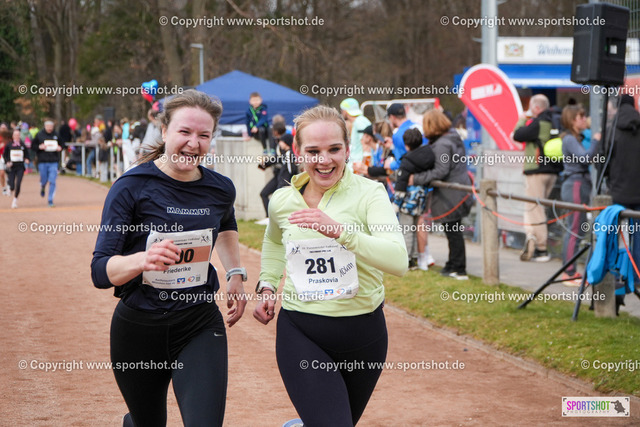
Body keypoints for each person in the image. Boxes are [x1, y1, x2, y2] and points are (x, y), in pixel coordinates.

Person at [90, 90, 247, 427]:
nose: (193, 143)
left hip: (198, 322)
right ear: (164, 131)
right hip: (139, 329)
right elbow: (101, 271)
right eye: (184, 132)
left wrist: (235, 273)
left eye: (203, 135)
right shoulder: (131, 187)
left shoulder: (220, 188)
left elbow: (226, 223)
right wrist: (142, 260)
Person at [254, 105, 407, 426]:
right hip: (301, 332)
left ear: (348, 150)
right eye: (313, 151)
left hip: (364, 336)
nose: (324, 160)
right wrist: (267, 284)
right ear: (298, 152)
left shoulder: (371, 194)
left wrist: (341, 232)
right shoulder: (282, 200)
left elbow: (398, 260)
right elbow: (274, 241)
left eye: (334, 149)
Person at [412, 110, 474, 280]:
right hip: (459, 190)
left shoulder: (442, 144)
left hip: (452, 194)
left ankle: (459, 268)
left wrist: (416, 178)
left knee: (453, 232)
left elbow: (441, 170)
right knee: (453, 231)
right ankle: (453, 264)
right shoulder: (452, 138)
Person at [513, 94, 563, 262]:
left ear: (536, 108)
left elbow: (518, 135)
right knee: (538, 208)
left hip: (536, 170)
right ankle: (532, 238)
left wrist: (522, 119)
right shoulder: (555, 120)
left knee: (535, 209)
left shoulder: (538, 122)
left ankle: (541, 248)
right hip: (553, 171)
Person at [559, 105, 600, 285]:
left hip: (580, 184)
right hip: (575, 185)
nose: (584, 119)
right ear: (572, 120)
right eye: (580, 117)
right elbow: (585, 158)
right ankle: (569, 272)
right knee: (575, 229)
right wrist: (596, 141)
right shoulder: (569, 139)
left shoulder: (576, 138)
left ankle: (570, 271)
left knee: (578, 228)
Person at [394, 128, 436, 271]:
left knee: (407, 230)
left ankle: (407, 260)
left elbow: (401, 184)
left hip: (408, 202)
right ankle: (417, 257)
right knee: (417, 229)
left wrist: (396, 203)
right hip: (421, 200)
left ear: (406, 145)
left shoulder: (407, 161)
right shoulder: (429, 155)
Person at [258, 121, 286, 221]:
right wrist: (265, 164)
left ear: (276, 131)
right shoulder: (278, 142)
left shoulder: (285, 142)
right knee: (264, 193)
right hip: (277, 175)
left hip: (284, 176)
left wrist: (267, 163)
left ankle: (274, 218)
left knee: (278, 199)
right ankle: (269, 217)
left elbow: (280, 159)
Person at [32, 118, 64, 207]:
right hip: (42, 161)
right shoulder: (39, 135)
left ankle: (50, 200)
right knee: (44, 179)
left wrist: (60, 147)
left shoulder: (56, 135)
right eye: (48, 126)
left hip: (54, 161)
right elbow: (33, 146)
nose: (49, 128)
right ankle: (43, 186)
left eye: (51, 126)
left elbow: (62, 144)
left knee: (52, 181)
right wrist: (39, 147)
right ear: (45, 126)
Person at [340, 97, 371, 165]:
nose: (341, 113)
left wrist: (364, 164)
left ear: (345, 111)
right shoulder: (360, 121)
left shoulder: (359, 122)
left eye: (342, 110)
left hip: (358, 162)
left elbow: (366, 143)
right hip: (356, 161)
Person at [3, 128, 29, 208]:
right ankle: (9, 187)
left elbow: (26, 154)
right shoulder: (9, 145)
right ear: (13, 136)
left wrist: (27, 159)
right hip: (12, 167)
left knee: (18, 184)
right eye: (15, 135)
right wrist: (7, 162)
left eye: (18, 135)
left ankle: (15, 200)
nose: (17, 136)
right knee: (12, 185)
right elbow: (5, 155)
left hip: (20, 167)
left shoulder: (22, 145)